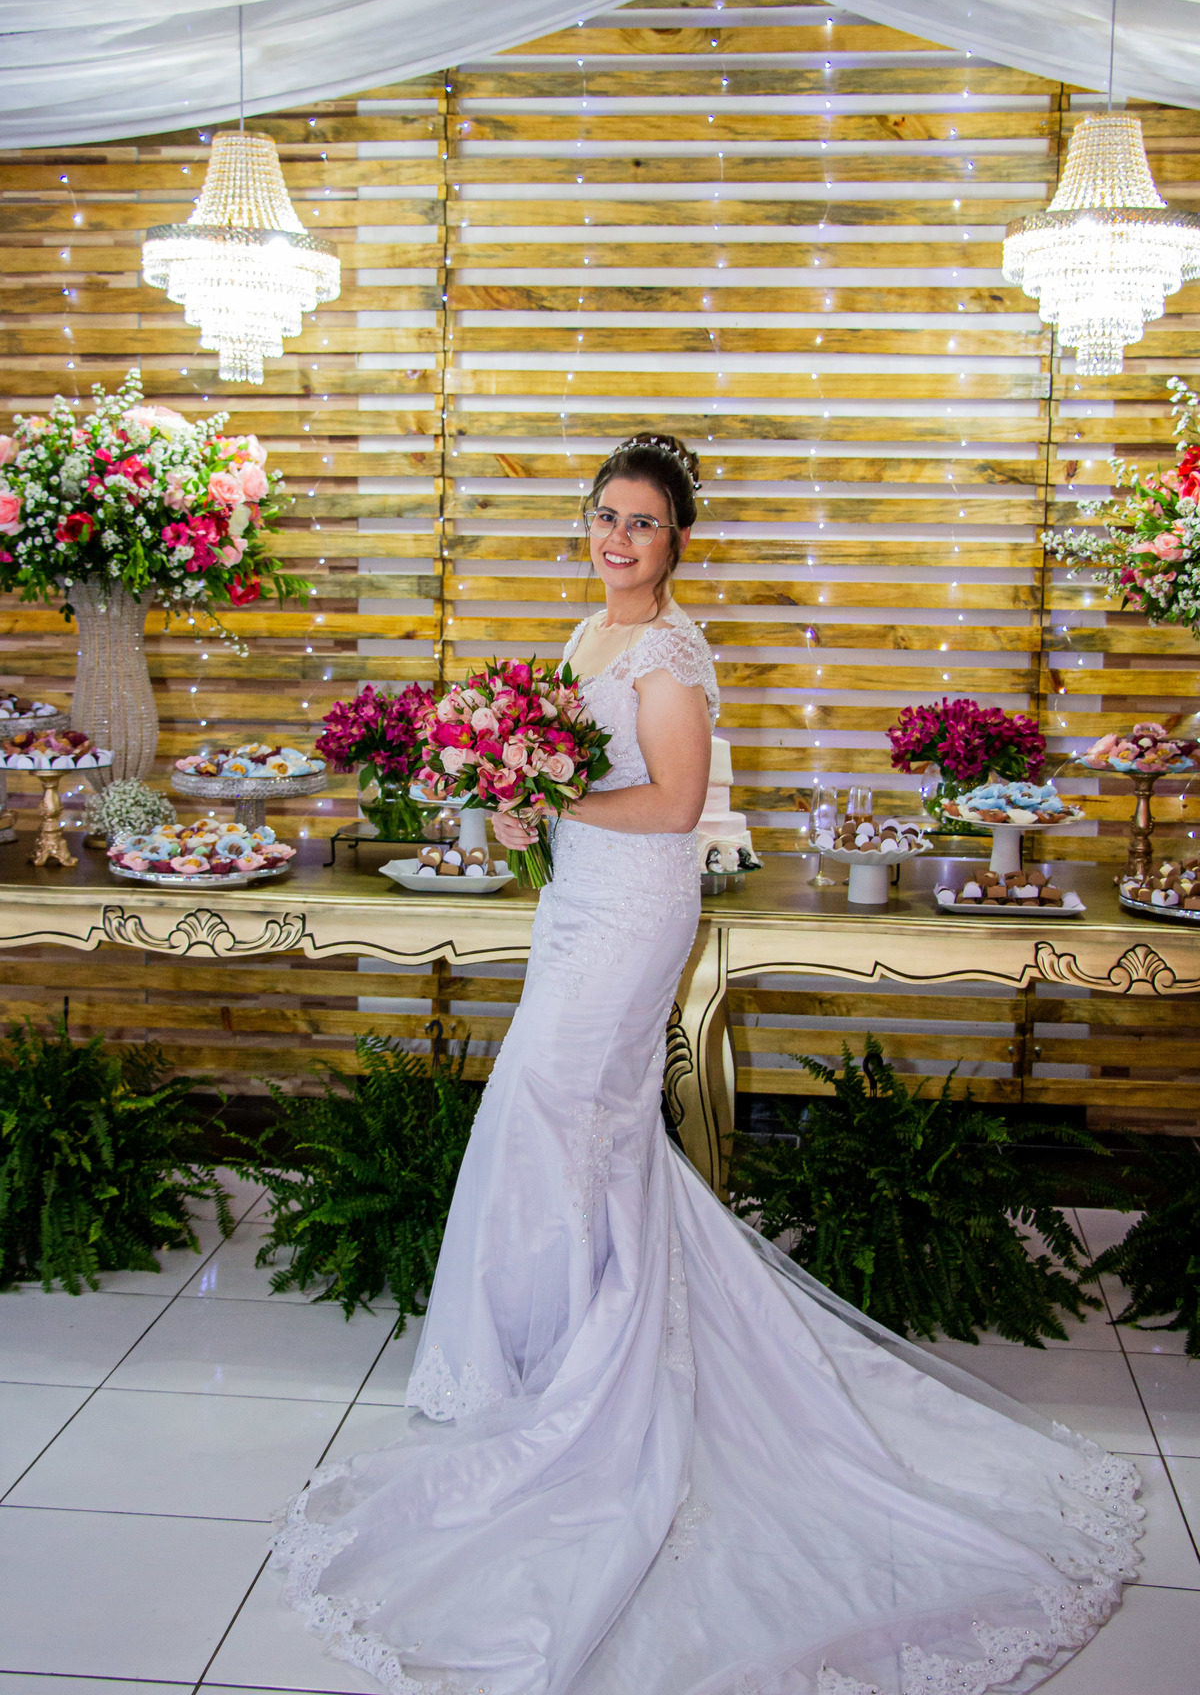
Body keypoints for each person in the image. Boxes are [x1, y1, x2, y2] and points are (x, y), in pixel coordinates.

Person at [272, 435, 1141, 1695]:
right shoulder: (587, 635)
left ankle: (582, 1372)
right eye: (604, 517)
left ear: (679, 540)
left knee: (559, 1110)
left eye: (642, 523)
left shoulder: (670, 657)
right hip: (577, 904)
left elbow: (674, 806)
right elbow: (570, 780)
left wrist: (547, 798)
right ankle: (558, 1351)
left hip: (633, 914)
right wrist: (515, 803)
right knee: (562, 1120)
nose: (618, 539)